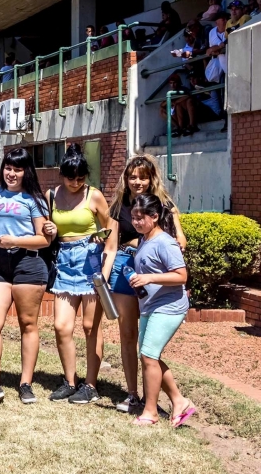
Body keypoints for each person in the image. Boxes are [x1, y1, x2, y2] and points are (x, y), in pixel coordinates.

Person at [106, 155, 187, 415]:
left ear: (152, 178)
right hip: (126, 270)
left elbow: (179, 242)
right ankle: (133, 395)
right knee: (129, 335)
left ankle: (153, 401)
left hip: (156, 276)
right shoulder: (119, 205)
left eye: (142, 176)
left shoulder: (164, 205)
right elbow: (110, 244)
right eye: (132, 177)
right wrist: (104, 279)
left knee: (149, 345)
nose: (137, 182)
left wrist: (142, 245)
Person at [43, 144, 116, 404]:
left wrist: (105, 265)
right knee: (61, 326)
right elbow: (46, 231)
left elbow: (112, 228)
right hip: (64, 260)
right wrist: (49, 230)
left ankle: (91, 385)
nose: (75, 182)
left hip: (90, 260)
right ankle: (70, 381)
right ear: (62, 174)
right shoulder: (51, 195)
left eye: (81, 178)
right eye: (71, 177)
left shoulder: (94, 196)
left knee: (89, 327)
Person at [0, 148, 51, 405]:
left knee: (28, 324)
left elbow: (44, 238)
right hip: (1, 265)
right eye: (8, 168)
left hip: (28, 263)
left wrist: (15, 240)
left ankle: (25, 383)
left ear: (26, 172)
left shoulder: (32, 199)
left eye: (18, 169)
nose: (11, 173)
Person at [126, 194, 195, 427]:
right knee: (148, 356)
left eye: (140, 218)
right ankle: (179, 401)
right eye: (133, 217)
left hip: (169, 306)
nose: (136, 222)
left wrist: (148, 278)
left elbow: (181, 275)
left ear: (154, 217)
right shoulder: (144, 238)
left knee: (148, 356)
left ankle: (151, 411)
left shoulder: (165, 242)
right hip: (150, 305)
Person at [158, 73, 208, 137]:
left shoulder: (183, 89)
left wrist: (176, 102)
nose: (173, 85)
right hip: (178, 115)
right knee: (162, 110)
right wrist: (171, 102)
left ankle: (191, 125)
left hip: (187, 114)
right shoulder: (171, 93)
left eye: (174, 83)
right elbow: (162, 105)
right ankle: (178, 127)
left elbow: (189, 95)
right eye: (171, 83)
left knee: (179, 104)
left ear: (178, 82)